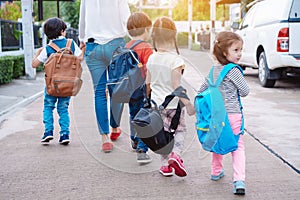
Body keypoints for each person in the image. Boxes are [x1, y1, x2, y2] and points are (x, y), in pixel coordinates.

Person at [198, 31, 250, 195]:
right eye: (236, 50)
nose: (239, 53)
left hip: (216, 116)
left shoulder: (213, 70)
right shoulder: (233, 70)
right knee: (238, 146)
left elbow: (201, 91)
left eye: (240, 49)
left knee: (217, 142)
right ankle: (239, 180)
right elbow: (245, 91)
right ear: (224, 52)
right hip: (233, 115)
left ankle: (216, 171)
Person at [78, 0, 130, 153]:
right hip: (116, 45)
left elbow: (83, 20)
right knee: (117, 89)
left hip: (93, 46)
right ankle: (115, 127)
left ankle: (104, 138)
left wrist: (82, 39)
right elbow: (127, 21)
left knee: (99, 93)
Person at [145, 16, 195, 177]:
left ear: (154, 37)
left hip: (157, 105)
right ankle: (176, 155)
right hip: (173, 105)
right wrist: (187, 103)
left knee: (163, 135)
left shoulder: (151, 58)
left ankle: (165, 166)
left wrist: (148, 101)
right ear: (173, 35)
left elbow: (148, 84)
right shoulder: (176, 60)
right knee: (180, 130)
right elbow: (176, 85)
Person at [32, 17, 83, 145]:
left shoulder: (48, 48)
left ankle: (48, 132)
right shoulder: (71, 44)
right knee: (63, 109)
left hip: (51, 86)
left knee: (48, 107)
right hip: (67, 84)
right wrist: (83, 48)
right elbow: (79, 59)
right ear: (62, 31)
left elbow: (34, 64)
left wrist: (37, 53)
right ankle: (64, 134)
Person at [126, 12, 153, 164]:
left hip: (128, 89)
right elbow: (150, 69)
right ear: (146, 29)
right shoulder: (146, 47)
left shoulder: (126, 46)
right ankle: (142, 149)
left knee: (133, 115)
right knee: (145, 117)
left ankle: (134, 139)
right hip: (142, 87)